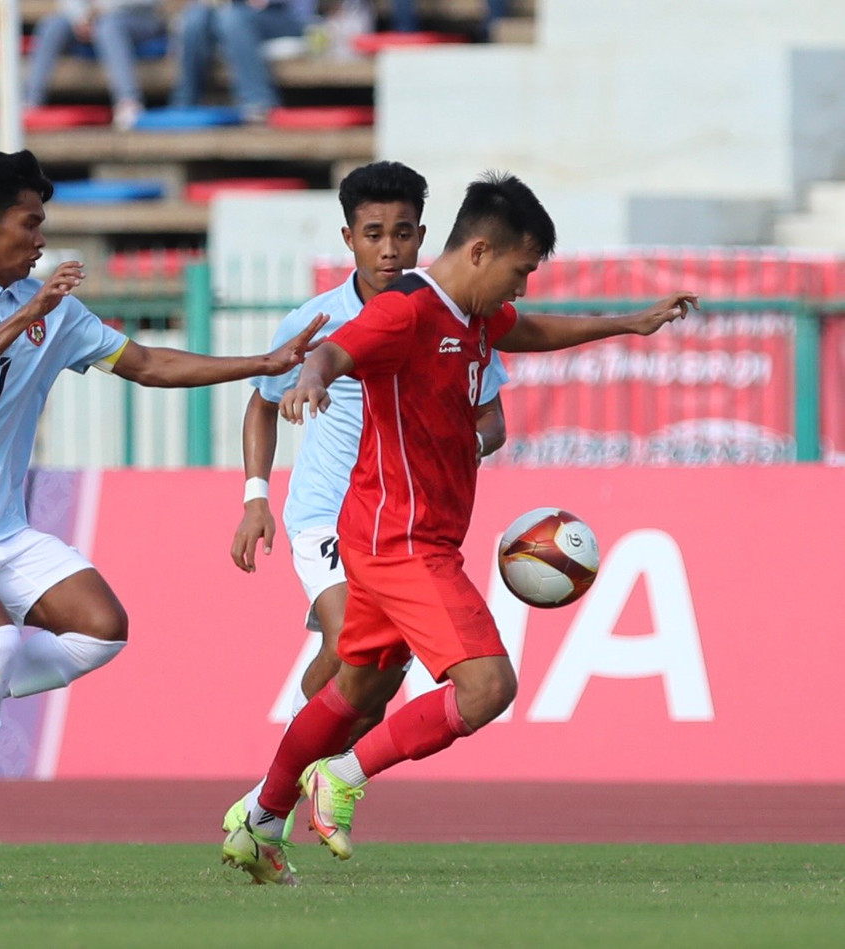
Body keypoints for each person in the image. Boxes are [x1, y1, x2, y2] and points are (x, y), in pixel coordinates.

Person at [222, 172, 698, 885]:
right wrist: (313, 376)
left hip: (398, 532)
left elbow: (530, 329)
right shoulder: (407, 311)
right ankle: (343, 777)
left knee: (355, 688)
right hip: (403, 540)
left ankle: (260, 822)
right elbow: (336, 349)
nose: (524, 287)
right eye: (520, 270)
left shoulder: (472, 314)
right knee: (488, 687)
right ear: (480, 251)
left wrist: (627, 323)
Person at [0, 145, 325, 889]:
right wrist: (29, 312)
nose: (41, 236)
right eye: (30, 223)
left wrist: (261, 363)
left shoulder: (57, 314)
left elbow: (148, 363)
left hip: (3, 530)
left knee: (100, 631)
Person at [221, 160, 509, 845]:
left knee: (370, 687)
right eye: (374, 233)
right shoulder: (318, 319)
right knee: (345, 633)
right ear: (348, 238)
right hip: (326, 512)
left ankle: (279, 794)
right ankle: (281, 792)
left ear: (423, 237)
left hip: (405, 517)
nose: (390, 249)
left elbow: (491, 418)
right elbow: (262, 404)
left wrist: (455, 438)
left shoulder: (449, 312)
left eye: (404, 234)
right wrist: (254, 496)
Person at [24, 0, 167, 130]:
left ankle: (129, 103)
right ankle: (32, 103)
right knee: (53, 25)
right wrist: (80, 17)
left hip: (137, 18)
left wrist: (102, 8)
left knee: (108, 27)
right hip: (90, 19)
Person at [170, 0, 316, 122]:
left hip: (282, 17)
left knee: (232, 19)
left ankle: (259, 103)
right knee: (195, 18)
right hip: (229, 15)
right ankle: (185, 104)